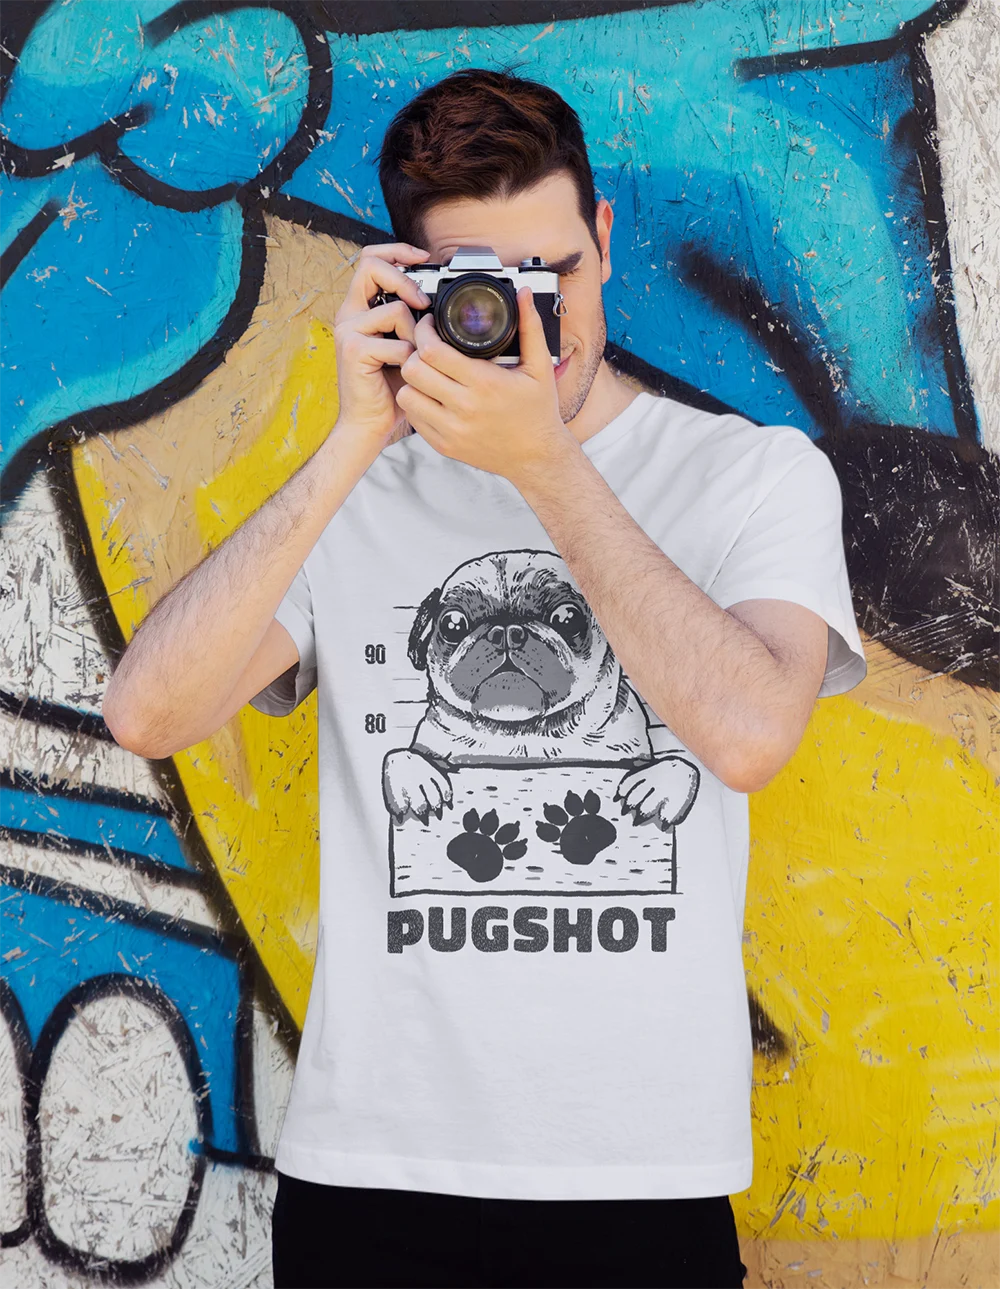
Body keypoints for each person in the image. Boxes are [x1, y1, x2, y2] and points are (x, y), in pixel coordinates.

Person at [103, 67, 866, 1288]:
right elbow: (147, 710)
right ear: (418, 286)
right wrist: (355, 436)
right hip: (373, 1173)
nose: (535, 324)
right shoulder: (361, 495)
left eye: (552, 273)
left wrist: (543, 463)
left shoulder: (750, 476)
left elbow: (747, 735)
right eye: (489, 292)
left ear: (602, 237)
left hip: (641, 1176)